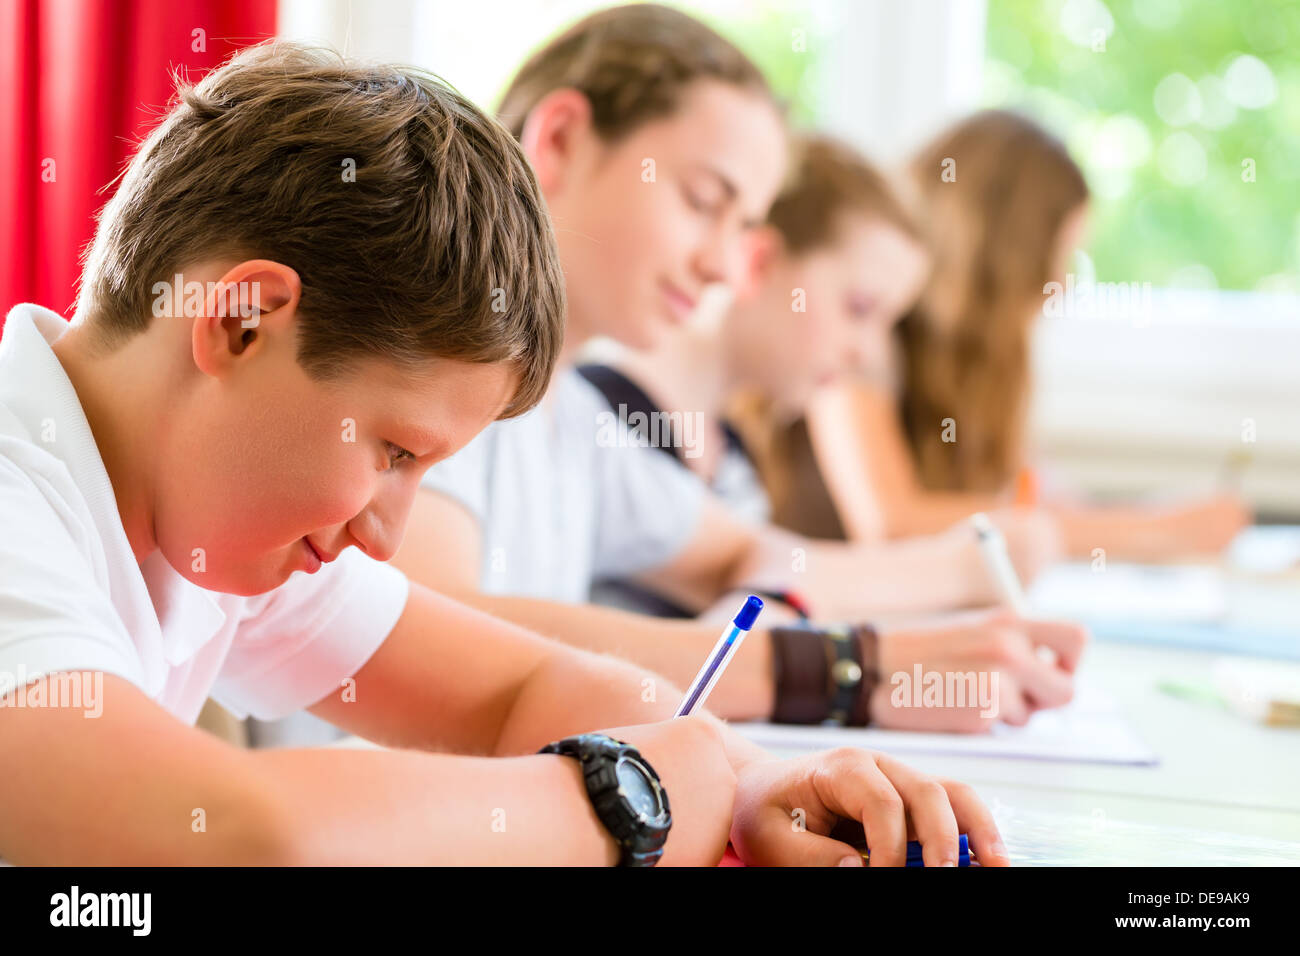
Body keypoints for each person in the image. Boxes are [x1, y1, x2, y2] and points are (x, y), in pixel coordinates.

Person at [0, 41, 1007, 867]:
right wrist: (636, 798)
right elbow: (235, 836)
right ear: (242, 321)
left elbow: (520, 690)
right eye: (394, 449)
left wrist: (747, 784)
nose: (387, 531)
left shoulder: (217, 526)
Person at [395, 6, 1087, 734]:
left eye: (744, 224)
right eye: (703, 201)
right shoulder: (422, 355)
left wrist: (947, 594)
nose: (726, 267)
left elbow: (751, 553)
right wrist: (844, 671)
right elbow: (434, 632)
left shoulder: (572, 418)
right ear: (561, 142)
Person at [801, 110, 1250, 560]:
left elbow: (1019, 500)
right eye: (1055, 254)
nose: (1062, 284)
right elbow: (894, 524)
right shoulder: (861, 331)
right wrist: (1151, 531)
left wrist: (1129, 522)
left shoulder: (985, 359)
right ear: (1001, 253)